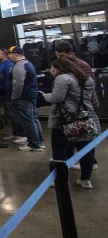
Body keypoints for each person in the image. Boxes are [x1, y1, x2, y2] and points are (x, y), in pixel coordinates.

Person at [42, 58, 100, 188]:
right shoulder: (86, 78)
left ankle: (60, 179)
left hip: (64, 120)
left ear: (59, 68)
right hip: (85, 118)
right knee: (85, 150)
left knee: (58, 150)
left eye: (53, 68)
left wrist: (46, 96)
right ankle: (85, 180)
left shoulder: (62, 78)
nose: (51, 71)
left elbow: (57, 97)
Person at [7, 46, 44, 151]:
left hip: (23, 98)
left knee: (28, 121)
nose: (9, 56)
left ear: (16, 54)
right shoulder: (28, 63)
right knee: (33, 119)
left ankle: (34, 144)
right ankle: (39, 142)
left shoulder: (19, 66)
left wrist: (14, 98)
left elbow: (18, 85)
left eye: (10, 54)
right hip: (31, 96)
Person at [0, 48, 25, 144]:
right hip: (3, 94)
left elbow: (12, 80)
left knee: (15, 115)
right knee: (10, 115)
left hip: (9, 94)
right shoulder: (1, 65)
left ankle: (22, 134)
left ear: (4, 55)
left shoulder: (9, 65)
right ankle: (16, 133)